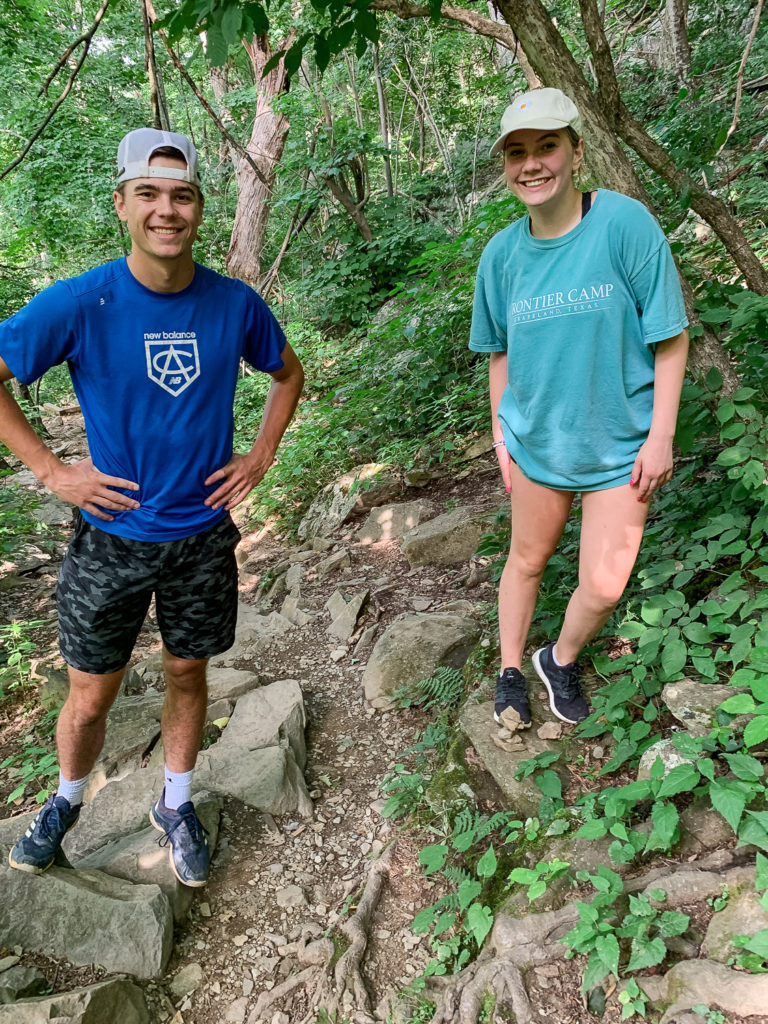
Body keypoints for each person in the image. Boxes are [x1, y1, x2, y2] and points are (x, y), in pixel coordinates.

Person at [0, 128, 304, 885]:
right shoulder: (80, 300)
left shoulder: (234, 304)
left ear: (199, 207)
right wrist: (50, 470)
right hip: (110, 539)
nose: (167, 210)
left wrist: (260, 457)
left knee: (187, 675)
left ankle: (175, 802)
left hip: (201, 536)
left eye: (182, 195)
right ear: (123, 205)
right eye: (150, 195)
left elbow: (288, 375)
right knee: (91, 695)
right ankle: (69, 798)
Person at [470, 88, 689, 729]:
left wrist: (661, 436)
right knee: (527, 560)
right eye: (517, 153)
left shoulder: (623, 223)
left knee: (603, 584)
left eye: (546, 146)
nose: (531, 164)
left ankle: (557, 658)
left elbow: (670, 335)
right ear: (506, 165)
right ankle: (510, 671)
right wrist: (500, 434)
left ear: (576, 151)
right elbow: (500, 355)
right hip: (537, 443)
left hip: (622, 445)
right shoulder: (502, 256)